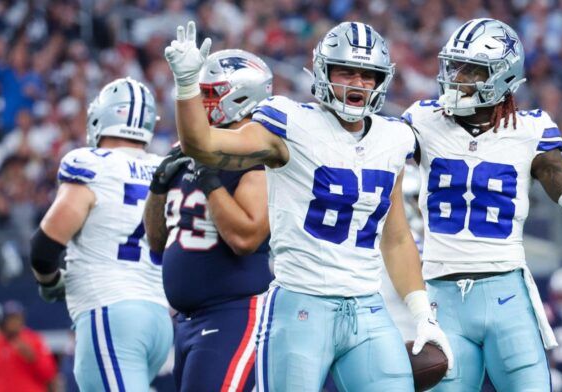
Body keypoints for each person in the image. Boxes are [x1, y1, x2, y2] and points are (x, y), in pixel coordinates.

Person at [164, 21, 453, 391]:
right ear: (322, 73)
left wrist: (421, 315)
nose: (356, 83)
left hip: (367, 307)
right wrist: (187, 85)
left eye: (368, 75)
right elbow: (201, 144)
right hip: (301, 305)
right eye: (345, 72)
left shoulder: (393, 137)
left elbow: (395, 238)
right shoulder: (289, 123)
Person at [401, 18, 562, 391]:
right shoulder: (422, 120)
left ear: (502, 77)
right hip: (440, 297)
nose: (456, 77)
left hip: (506, 294)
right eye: (454, 66)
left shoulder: (529, 130)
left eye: (471, 70)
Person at [29, 77, 173, 391]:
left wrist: (50, 282)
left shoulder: (92, 164)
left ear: (102, 116)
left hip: (111, 309)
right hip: (159, 320)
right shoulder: (164, 167)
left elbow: (43, 247)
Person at [143, 49, 273, 392]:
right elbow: (156, 241)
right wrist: (158, 185)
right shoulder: (188, 148)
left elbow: (247, 239)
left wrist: (210, 181)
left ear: (240, 97)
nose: (199, 102)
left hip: (233, 313)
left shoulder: (256, 152)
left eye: (208, 94)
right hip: (186, 322)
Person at [0, 300, 58, 392]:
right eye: (11, 319)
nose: (15, 322)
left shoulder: (33, 340)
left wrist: (33, 358)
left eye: (18, 318)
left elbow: (49, 373)